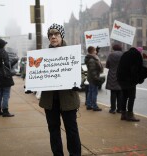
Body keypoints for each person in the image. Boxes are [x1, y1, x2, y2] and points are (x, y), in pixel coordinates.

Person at [38, 23, 81, 156]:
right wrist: (32, 86)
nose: (53, 36)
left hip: (68, 99)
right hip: (50, 101)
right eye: (50, 34)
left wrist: (77, 81)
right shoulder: (43, 55)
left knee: (71, 130)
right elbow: (38, 74)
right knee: (53, 130)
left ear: (61, 36)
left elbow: (81, 73)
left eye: (56, 34)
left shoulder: (71, 52)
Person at [117, 47, 144, 122]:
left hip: (121, 79)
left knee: (124, 96)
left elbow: (119, 67)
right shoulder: (137, 55)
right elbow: (137, 68)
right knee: (132, 97)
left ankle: (123, 114)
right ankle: (130, 115)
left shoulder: (125, 54)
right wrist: (139, 79)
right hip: (130, 80)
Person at [0, 39, 17, 117]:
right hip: (5, 76)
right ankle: (5, 111)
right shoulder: (3, 53)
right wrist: (15, 60)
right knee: (6, 94)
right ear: (2, 45)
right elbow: (7, 65)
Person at [105, 44, 123, 114]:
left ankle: (113, 109)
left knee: (113, 93)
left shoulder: (111, 55)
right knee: (120, 93)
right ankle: (120, 109)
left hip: (112, 75)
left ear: (114, 48)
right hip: (121, 75)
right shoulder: (123, 54)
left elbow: (107, 65)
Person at [85, 46, 103, 111]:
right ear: (92, 51)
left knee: (90, 91)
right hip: (93, 78)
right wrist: (96, 78)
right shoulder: (92, 60)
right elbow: (93, 70)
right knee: (94, 92)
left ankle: (89, 105)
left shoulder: (91, 58)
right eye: (95, 50)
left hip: (91, 78)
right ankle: (94, 106)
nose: (96, 51)